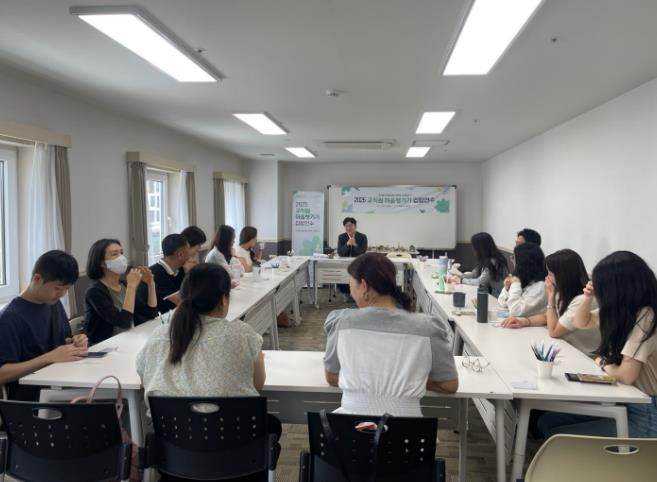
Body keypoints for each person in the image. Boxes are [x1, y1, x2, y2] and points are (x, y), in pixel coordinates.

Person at [136, 263, 281, 472]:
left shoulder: (159, 336)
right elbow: (257, 384)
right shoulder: (243, 334)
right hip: (234, 453)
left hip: (176, 457)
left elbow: (144, 375)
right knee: (272, 424)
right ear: (223, 300)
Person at [538, 251, 657, 438]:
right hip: (624, 397)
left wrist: (602, 361)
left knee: (558, 435)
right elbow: (581, 322)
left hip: (647, 411)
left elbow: (626, 376)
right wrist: (587, 297)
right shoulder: (624, 309)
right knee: (546, 423)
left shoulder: (647, 316)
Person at [323, 253, 458, 416]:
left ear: (364, 286)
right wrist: (413, 380)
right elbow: (449, 385)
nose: (352, 294)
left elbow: (331, 377)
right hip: (408, 429)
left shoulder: (341, 322)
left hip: (350, 428)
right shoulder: (428, 327)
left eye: (352, 288)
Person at [0, 251, 88, 401]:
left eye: (66, 289)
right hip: (32, 399)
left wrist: (75, 342)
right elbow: (2, 373)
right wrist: (48, 358)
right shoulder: (10, 318)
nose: (61, 294)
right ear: (37, 279)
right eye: (57, 288)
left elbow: (62, 341)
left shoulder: (53, 303)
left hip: (61, 383)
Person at [501, 249, 601, 355]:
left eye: (550, 274)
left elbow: (554, 331)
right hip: (565, 348)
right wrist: (524, 321)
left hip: (582, 355)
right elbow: (546, 317)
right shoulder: (565, 292)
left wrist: (551, 296)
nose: (546, 278)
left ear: (563, 276)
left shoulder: (582, 300)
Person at [84, 239, 158, 345]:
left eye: (121, 253)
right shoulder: (94, 292)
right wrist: (131, 286)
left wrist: (151, 284)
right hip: (104, 346)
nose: (121, 258)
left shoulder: (123, 284)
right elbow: (124, 322)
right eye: (115, 254)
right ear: (102, 263)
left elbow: (150, 314)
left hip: (127, 339)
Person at [137, 234, 191, 315]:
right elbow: (183, 302)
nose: (191, 254)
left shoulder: (180, 269)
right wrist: (191, 273)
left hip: (170, 315)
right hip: (150, 320)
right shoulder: (156, 273)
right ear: (180, 254)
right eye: (189, 250)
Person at [498, 242, 547, 317]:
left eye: (514, 258)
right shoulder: (524, 278)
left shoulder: (540, 286)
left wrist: (515, 284)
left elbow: (515, 311)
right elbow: (502, 303)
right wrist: (507, 289)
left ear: (523, 262)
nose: (512, 261)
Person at [455, 232, 509, 296]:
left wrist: (461, 280)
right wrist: (458, 276)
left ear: (480, 248)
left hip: (496, 297)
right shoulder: (486, 259)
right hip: (490, 294)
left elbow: (480, 282)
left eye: (475, 247)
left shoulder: (493, 262)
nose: (474, 250)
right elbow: (474, 274)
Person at [337, 217, 368, 300]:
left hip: (358, 264)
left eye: (350, 225)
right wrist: (347, 244)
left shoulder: (362, 237)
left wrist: (355, 245)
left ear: (355, 226)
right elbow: (340, 253)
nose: (348, 228)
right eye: (346, 226)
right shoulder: (341, 237)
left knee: (361, 277)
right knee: (340, 275)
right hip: (344, 264)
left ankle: (357, 293)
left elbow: (362, 252)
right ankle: (346, 293)